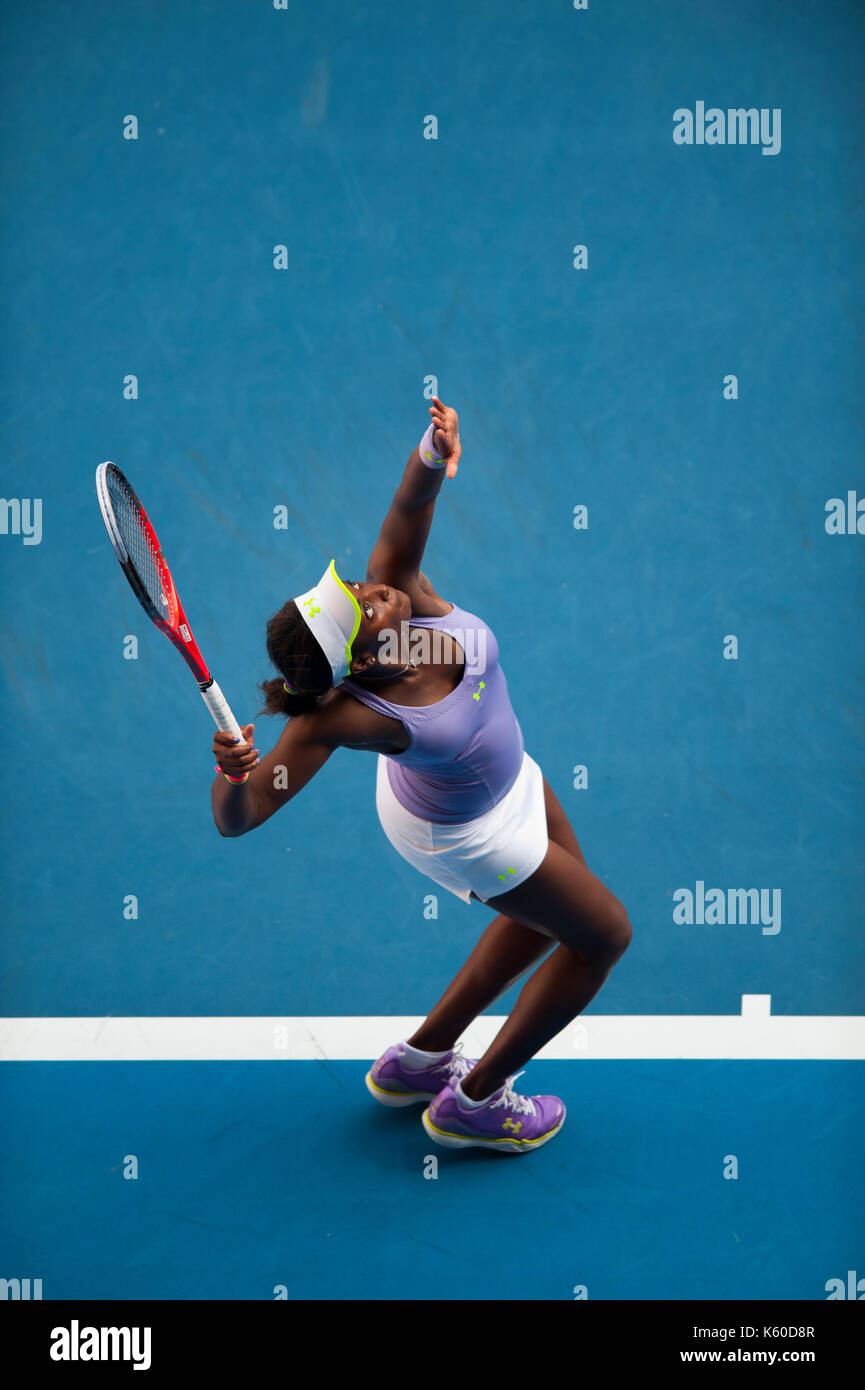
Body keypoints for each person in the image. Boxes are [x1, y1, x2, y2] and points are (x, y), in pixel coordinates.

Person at [211, 398, 631, 1154]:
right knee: (601, 937)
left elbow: (411, 501)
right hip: (464, 832)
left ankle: (421, 1060)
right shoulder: (340, 717)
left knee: (556, 915)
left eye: (357, 590)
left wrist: (435, 451)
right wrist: (230, 774)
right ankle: (475, 1102)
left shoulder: (401, 592)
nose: (373, 592)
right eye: (362, 610)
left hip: (500, 778)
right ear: (359, 662)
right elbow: (239, 817)